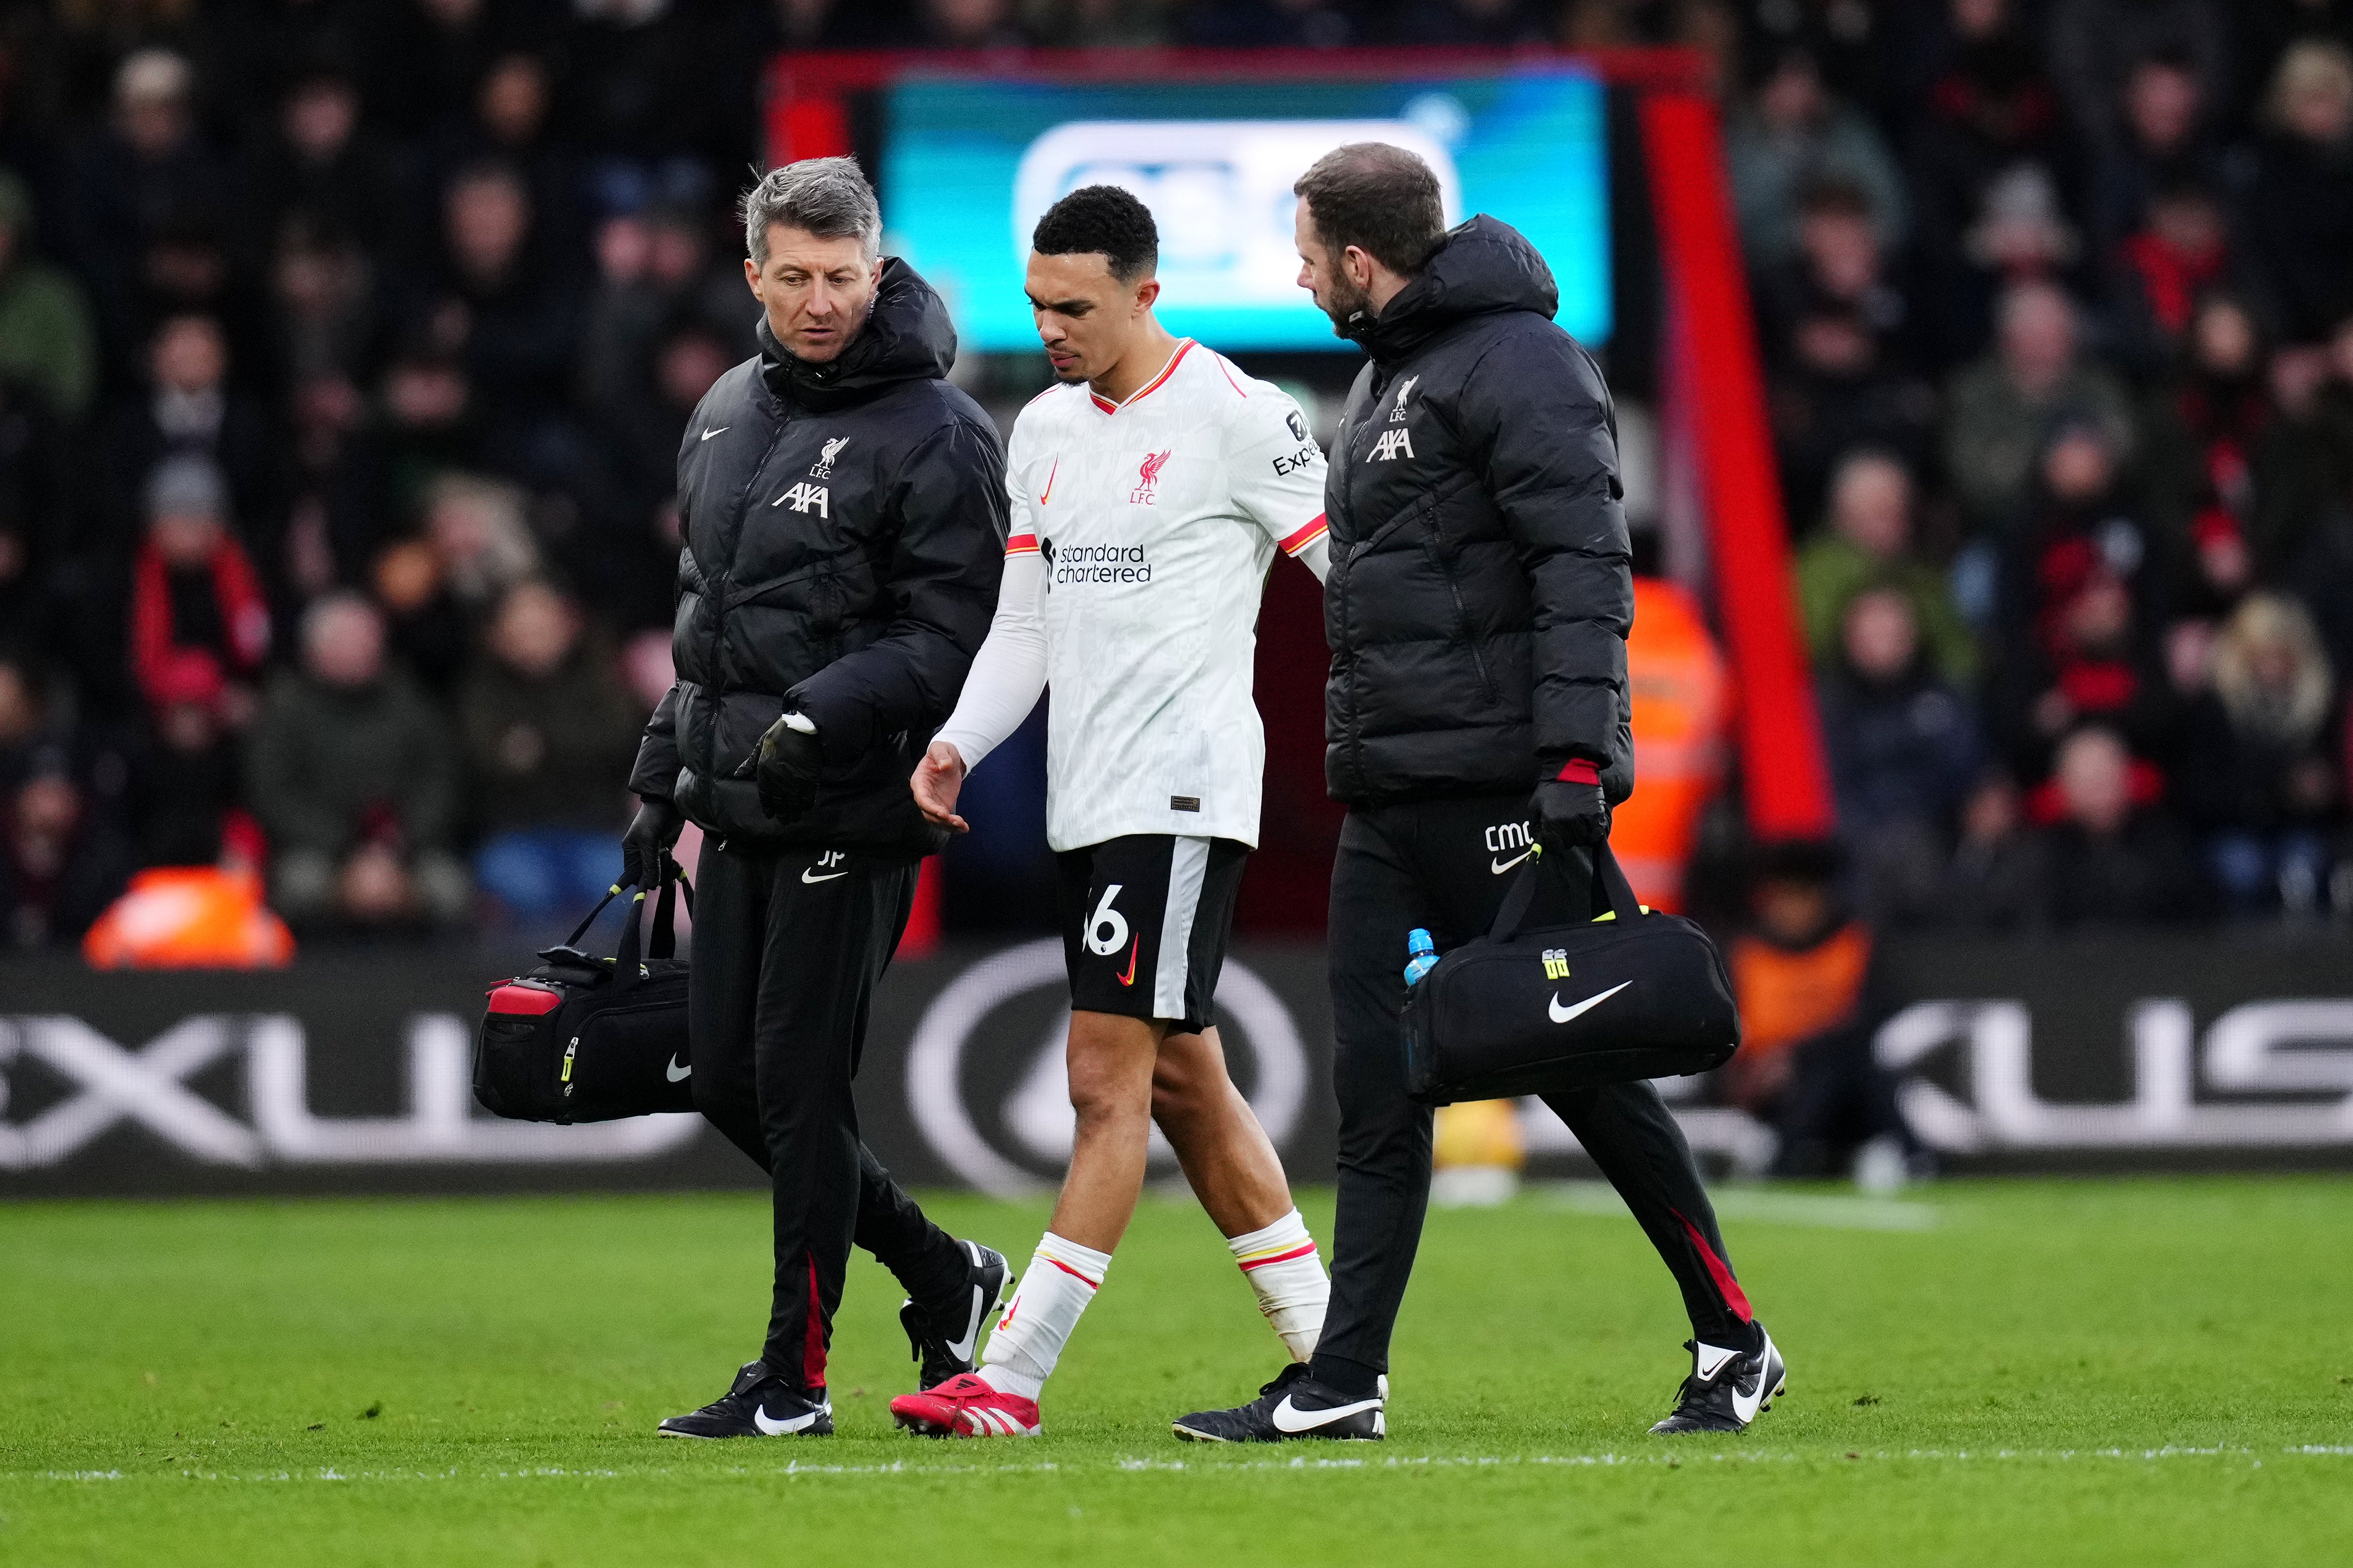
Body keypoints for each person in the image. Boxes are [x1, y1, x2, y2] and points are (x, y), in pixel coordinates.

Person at [1177, 143, 1783, 1444]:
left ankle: (1736, 1335)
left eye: (1305, 250)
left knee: (1587, 1077)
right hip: (1392, 793)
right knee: (1379, 1083)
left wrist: (1575, 758)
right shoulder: (1397, 367)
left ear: (1357, 254)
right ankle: (1344, 1378)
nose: (1295, 273)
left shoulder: (1519, 360)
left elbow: (1583, 562)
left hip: (1509, 786)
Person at [886, 186, 1335, 1441]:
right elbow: (1025, 622)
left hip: (1183, 792)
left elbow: (1354, 573)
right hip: (1092, 799)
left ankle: (1012, 1376)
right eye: (1037, 305)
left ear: (1148, 293)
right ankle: (1332, 1352)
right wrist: (960, 744)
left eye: (1075, 307)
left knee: (1101, 1078)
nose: (1053, 328)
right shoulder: (1039, 429)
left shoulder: (1243, 419)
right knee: (1186, 1080)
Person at [622, 159, 1014, 1441]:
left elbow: (956, 628)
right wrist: (655, 779)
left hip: (854, 801)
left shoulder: (943, 429)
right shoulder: (726, 409)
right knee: (729, 1083)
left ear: (877, 265)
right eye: (793, 277)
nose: (819, 301)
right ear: (754, 276)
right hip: (736, 796)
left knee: (794, 1086)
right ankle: (946, 1270)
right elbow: (708, 629)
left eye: (842, 277)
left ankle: (794, 1379)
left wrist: (824, 710)